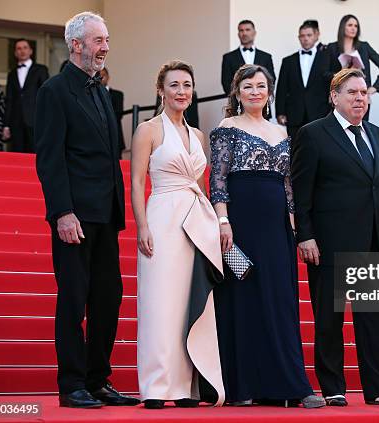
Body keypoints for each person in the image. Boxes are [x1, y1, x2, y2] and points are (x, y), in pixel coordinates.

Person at [292, 68, 379, 407]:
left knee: (377, 320)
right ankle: (333, 387)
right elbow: (301, 193)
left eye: (364, 93)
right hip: (328, 244)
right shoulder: (312, 134)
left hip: (374, 242)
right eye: (352, 93)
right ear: (334, 96)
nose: (360, 98)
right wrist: (305, 235)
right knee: (329, 322)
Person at [35, 12, 139, 409]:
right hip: (75, 216)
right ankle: (71, 384)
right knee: (74, 299)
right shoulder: (55, 91)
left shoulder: (101, 91)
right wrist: (62, 212)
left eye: (107, 39)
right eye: (98, 40)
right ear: (75, 44)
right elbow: (50, 158)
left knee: (107, 298)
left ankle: (97, 380)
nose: (105, 47)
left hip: (104, 216)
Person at [209, 64, 324, 409]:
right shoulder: (226, 128)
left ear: (270, 91)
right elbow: (218, 178)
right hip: (241, 220)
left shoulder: (282, 130)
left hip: (277, 226)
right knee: (243, 296)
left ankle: (289, 384)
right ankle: (243, 386)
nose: (255, 91)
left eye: (261, 85)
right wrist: (223, 222)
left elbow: (289, 183)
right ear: (237, 92)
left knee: (279, 300)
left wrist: (291, 224)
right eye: (248, 86)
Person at [131, 60, 225, 409]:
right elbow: (138, 182)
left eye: (187, 85)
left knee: (189, 304)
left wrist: (215, 224)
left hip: (195, 223)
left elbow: (201, 186)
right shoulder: (148, 130)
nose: (181, 91)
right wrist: (142, 226)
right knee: (159, 304)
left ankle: (185, 387)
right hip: (161, 219)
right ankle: (156, 386)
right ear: (161, 90)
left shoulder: (198, 136)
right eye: (174, 85)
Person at [276, 20, 331, 139]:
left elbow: (334, 83)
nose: (305, 39)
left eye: (309, 35)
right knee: (296, 151)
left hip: (320, 113)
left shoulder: (327, 57)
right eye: (302, 36)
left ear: (316, 36)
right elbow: (282, 88)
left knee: (320, 149)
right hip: (294, 115)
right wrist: (280, 112)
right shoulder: (288, 61)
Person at [326, 14, 379, 120]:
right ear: (343, 27)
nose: (353, 28)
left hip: (361, 95)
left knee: (361, 125)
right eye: (350, 25)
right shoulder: (332, 47)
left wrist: (375, 87)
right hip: (341, 95)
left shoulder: (364, 46)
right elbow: (324, 73)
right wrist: (341, 72)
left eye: (356, 26)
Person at [3, 38, 49, 153]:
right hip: (16, 121)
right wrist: (6, 125)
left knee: (35, 154)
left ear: (30, 51)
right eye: (19, 48)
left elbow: (46, 96)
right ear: (15, 53)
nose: (22, 51)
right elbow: (9, 100)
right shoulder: (12, 74)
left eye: (25, 48)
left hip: (35, 120)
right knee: (16, 155)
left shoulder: (41, 69)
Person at [220, 20, 275, 96]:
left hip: (262, 103)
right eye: (241, 30)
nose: (244, 33)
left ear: (254, 33)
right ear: (238, 34)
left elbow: (271, 80)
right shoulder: (228, 57)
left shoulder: (266, 57)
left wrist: (259, 95)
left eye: (247, 30)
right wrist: (240, 97)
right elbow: (226, 83)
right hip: (238, 104)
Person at [100, 67, 125, 155]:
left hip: (115, 136)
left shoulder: (118, 95)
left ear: (108, 77)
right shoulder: (89, 95)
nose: (101, 78)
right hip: (97, 138)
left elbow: (118, 115)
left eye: (103, 75)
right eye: (98, 76)